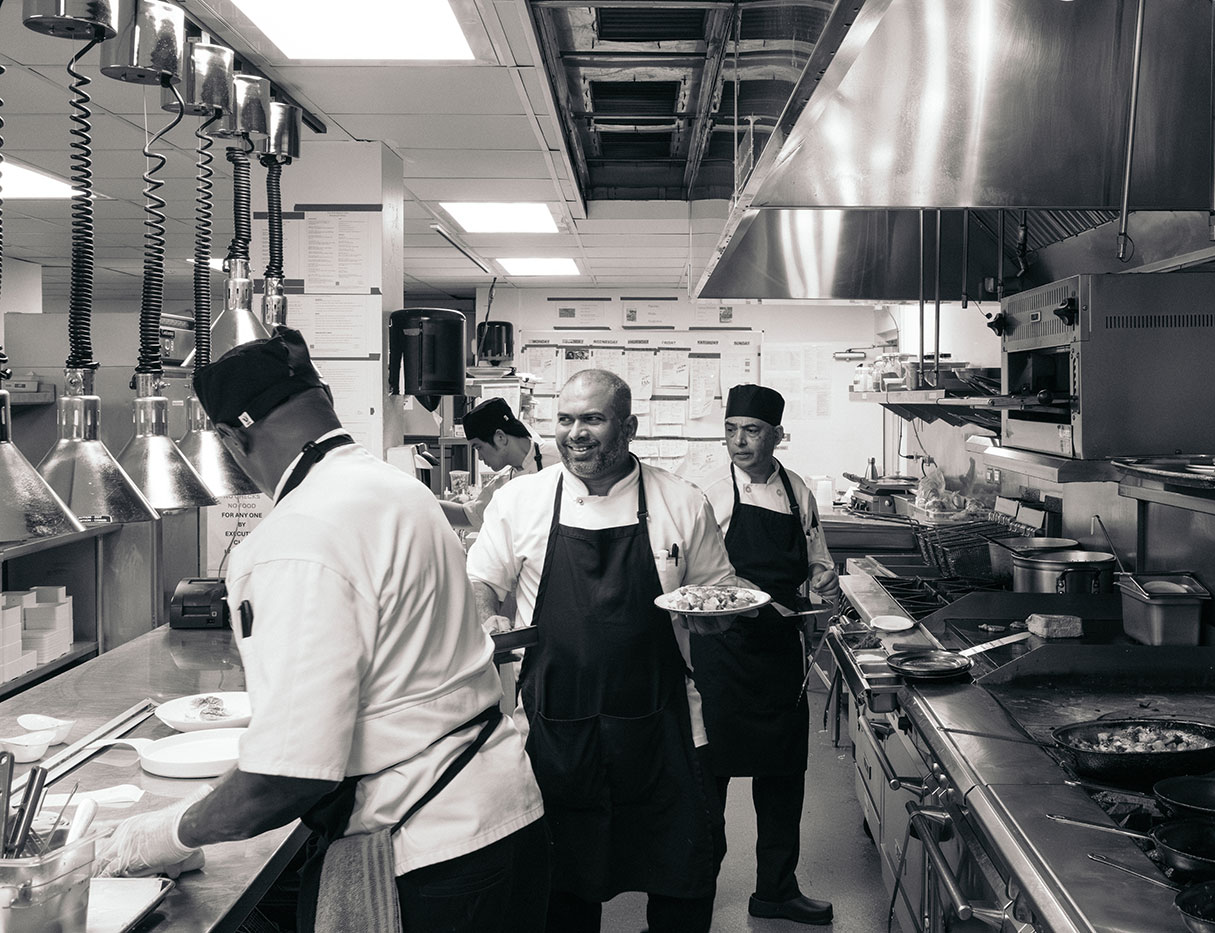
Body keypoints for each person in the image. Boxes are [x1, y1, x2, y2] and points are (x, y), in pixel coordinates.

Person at [95, 327, 550, 933]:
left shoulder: (293, 537)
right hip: (504, 810)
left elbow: (287, 775)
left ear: (233, 438)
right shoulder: (399, 491)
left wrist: (159, 836)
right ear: (325, 398)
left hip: (430, 848)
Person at [468, 368, 741, 933]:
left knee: (683, 880)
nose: (576, 433)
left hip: (664, 728)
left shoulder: (681, 502)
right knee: (561, 892)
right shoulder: (521, 501)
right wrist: (485, 615)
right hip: (554, 729)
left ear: (629, 426)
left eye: (592, 419)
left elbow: (718, 590)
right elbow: (485, 583)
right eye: (565, 419)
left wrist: (718, 617)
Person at [694, 384, 841, 926]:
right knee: (710, 779)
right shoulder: (709, 488)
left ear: (777, 435)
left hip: (780, 652)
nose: (738, 441)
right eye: (731, 430)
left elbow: (815, 554)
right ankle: (693, 893)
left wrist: (823, 587)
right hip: (723, 651)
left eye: (751, 431)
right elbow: (695, 571)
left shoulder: (797, 490)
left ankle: (776, 889)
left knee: (783, 776)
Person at [441, 396, 560, 529]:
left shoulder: (560, 459)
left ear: (500, 437)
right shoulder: (501, 483)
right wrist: (423, 501)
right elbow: (469, 515)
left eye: (479, 447)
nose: (479, 457)